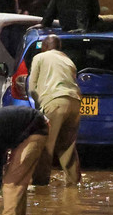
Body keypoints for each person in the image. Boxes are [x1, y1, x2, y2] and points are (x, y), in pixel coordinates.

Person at [28, 35, 82, 186]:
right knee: (68, 146)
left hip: (54, 101)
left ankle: (40, 185)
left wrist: (40, 105)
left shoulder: (40, 57)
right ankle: (74, 183)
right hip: (75, 102)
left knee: (45, 144)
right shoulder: (68, 60)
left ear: (45, 46)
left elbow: (32, 88)